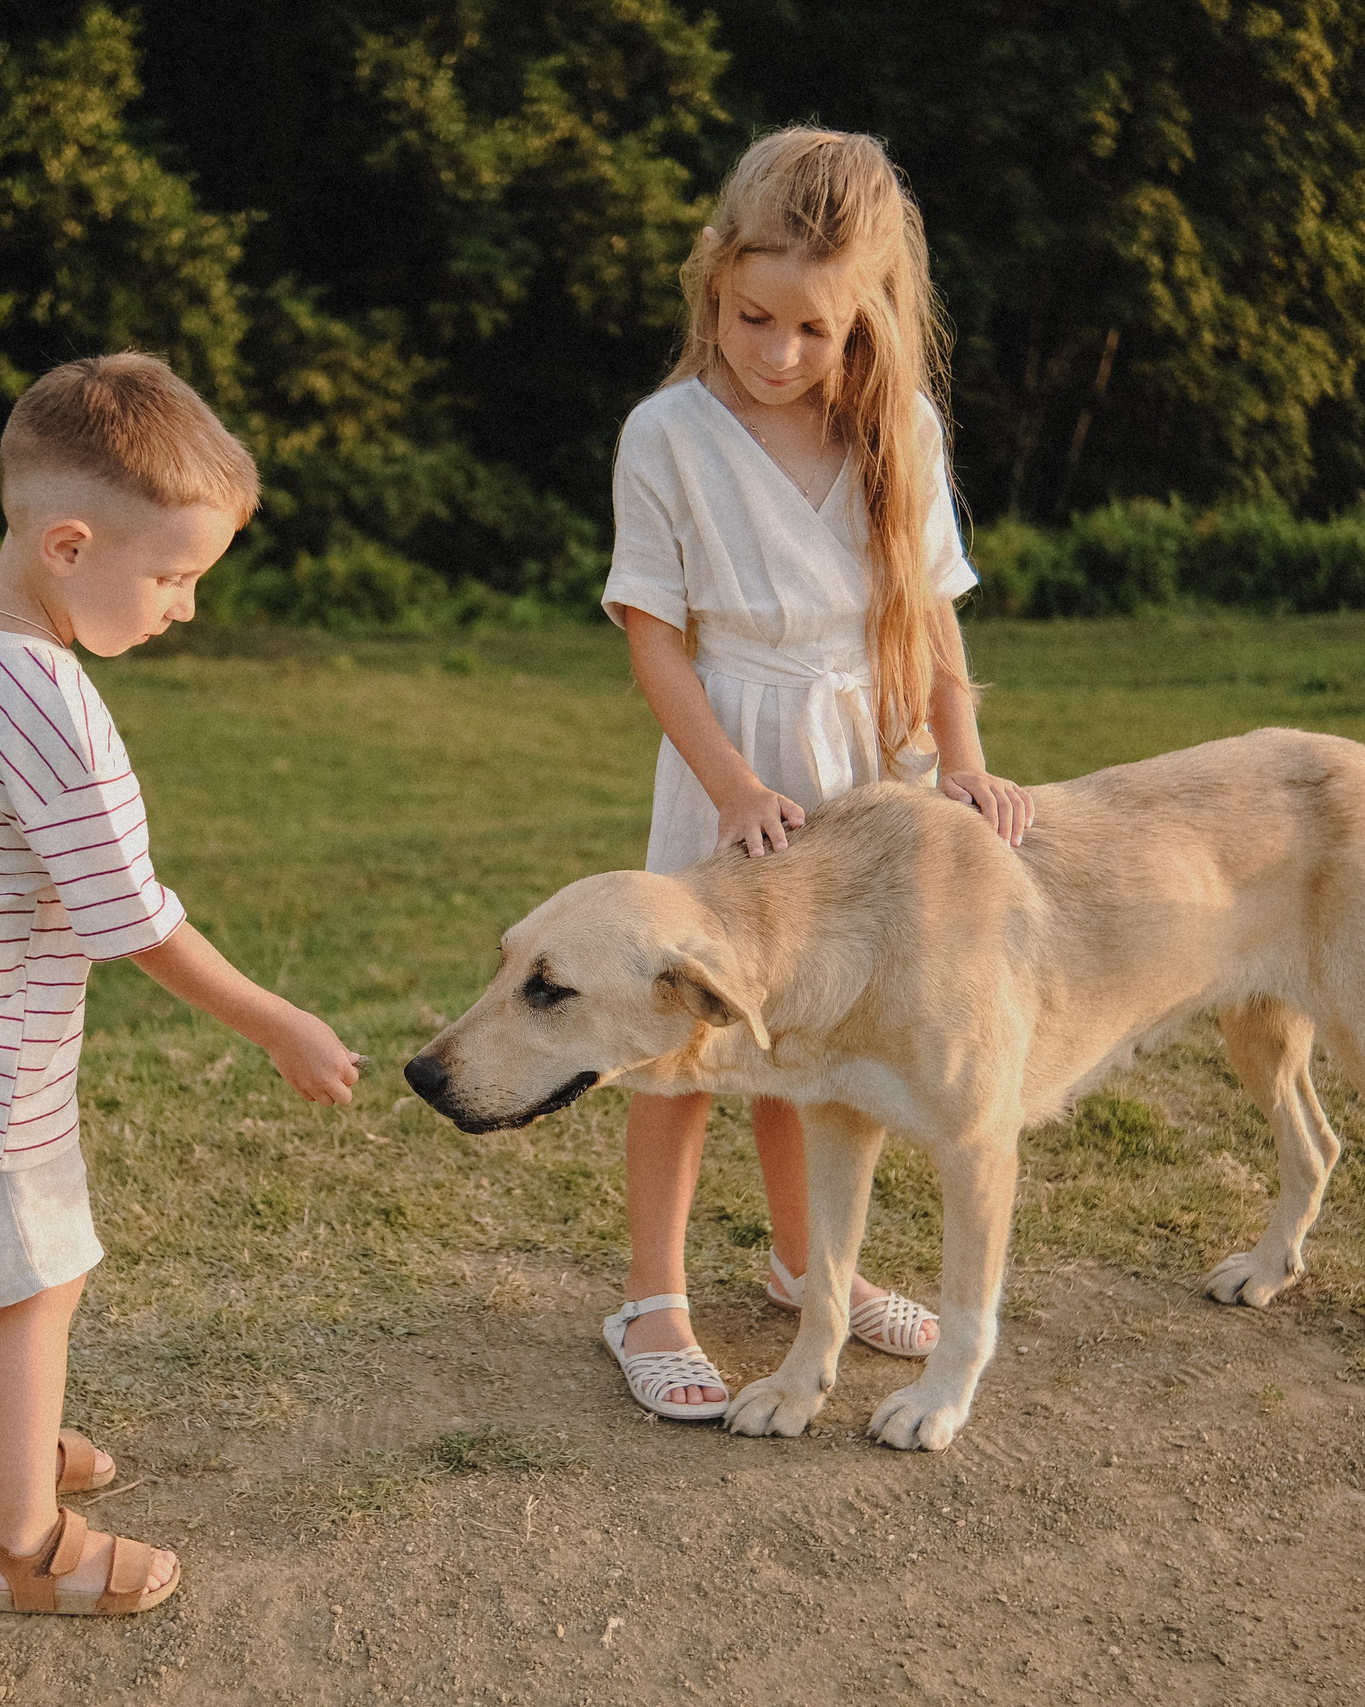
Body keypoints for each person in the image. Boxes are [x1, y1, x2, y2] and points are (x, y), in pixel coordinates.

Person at [0, 353, 362, 1613]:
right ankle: (26, 1548)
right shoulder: (56, 713)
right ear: (67, 545)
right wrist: (278, 1023)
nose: (185, 610)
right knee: (39, 1283)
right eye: (172, 578)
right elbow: (136, 925)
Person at [597, 129, 1036, 1420]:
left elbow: (932, 610)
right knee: (685, 1038)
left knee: (824, 1029)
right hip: (729, 752)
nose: (779, 352)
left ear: (865, 318)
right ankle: (652, 1298)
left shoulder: (899, 426)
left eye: (814, 330)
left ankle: (809, 1267)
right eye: (754, 318)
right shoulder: (667, 434)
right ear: (715, 280)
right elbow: (654, 637)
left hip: (869, 764)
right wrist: (733, 785)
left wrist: (964, 760)